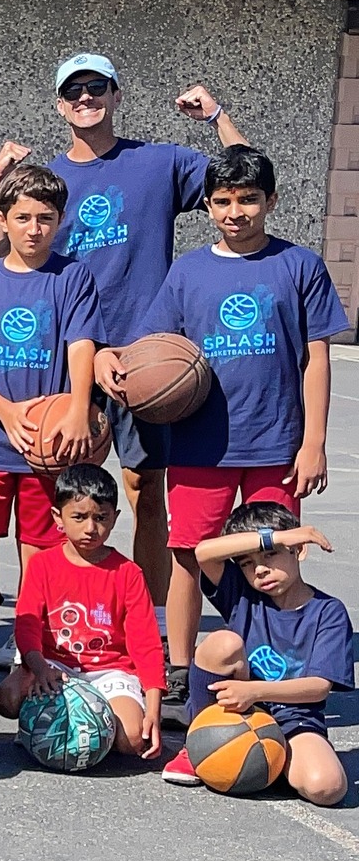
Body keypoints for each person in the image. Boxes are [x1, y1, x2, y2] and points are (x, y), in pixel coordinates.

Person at [0, 54, 248, 628]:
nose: (85, 97)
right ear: (59, 105)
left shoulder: (157, 162)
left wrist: (217, 117)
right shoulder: (49, 181)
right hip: (68, 358)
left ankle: (150, 617)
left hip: (144, 362)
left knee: (145, 489)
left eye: (96, 87)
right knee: (60, 492)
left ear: (116, 95)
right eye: (73, 90)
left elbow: (243, 178)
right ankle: (60, 618)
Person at [117, 145, 346, 704]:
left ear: (271, 201)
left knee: (274, 559)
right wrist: (113, 362)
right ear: (207, 205)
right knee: (189, 554)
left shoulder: (299, 265)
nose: (235, 212)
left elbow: (316, 358)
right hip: (201, 444)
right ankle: (180, 667)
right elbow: (155, 350)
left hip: (276, 441)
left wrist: (314, 442)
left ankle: (272, 664)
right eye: (222, 201)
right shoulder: (188, 271)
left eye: (248, 199)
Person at [0, 162, 105, 575]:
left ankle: (34, 619)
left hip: (49, 440)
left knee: (43, 546)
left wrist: (78, 409)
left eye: (45, 218)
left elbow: (81, 346)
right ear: (3, 220)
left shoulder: (72, 277)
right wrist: (7, 412)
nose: (34, 229)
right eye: (23, 218)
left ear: (61, 219)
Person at [163, 504, 352, 806]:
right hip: (232, 712)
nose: (260, 570)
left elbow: (318, 687)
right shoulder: (242, 594)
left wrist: (254, 691)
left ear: (299, 549)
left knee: (327, 788)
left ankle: (271, 761)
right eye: (247, 563)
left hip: (293, 718)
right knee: (222, 643)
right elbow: (203, 553)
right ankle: (200, 741)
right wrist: (272, 539)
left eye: (270, 555)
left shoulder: (329, 612)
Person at [0, 464, 163, 762]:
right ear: (57, 517)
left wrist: (153, 710)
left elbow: (146, 643)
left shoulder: (128, 573)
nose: (90, 528)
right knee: (7, 698)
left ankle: (94, 727)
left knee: (134, 739)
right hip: (54, 665)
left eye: (101, 518)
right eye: (79, 517)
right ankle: (44, 722)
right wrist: (38, 667)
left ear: (115, 518)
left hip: (110, 671)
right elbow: (27, 625)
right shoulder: (42, 565)